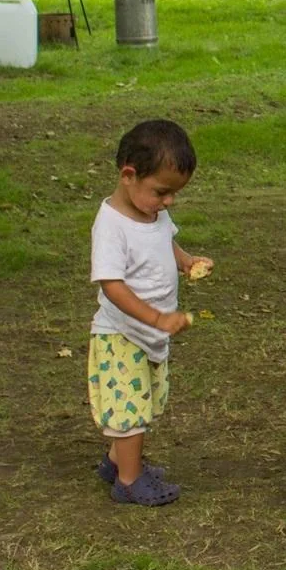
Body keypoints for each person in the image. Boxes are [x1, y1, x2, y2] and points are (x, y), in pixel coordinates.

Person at [87, 120, 213, 507]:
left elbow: (166, 242)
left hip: (150, 336)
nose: (169, 202)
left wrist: (186, 261)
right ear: (129, 174)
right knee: (132, 410)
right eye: (162, 192)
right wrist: (157, 318)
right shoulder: (112, 225)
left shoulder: (154, 215)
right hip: (121, 335)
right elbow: (112, 285)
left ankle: (116, 461)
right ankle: (128, 481)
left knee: (144, 401)